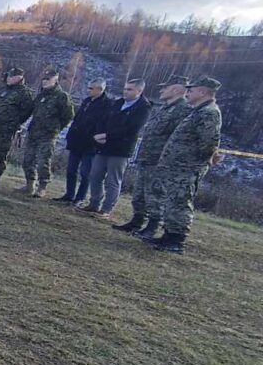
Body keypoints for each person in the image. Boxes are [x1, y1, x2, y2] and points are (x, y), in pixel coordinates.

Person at [148, 76, 223, 254]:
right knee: (172, 200)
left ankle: (176, 239)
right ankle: (168, 234)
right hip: (177, 166)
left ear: (203, 92)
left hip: (187, 167)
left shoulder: (209, 113)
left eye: (191, 90)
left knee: (181, 201)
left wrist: (205, 159)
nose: (187, 93)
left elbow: (208, 143)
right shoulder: (197, 111)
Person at [114, 75, 191, 237]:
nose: (161, 90)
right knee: (140, 193)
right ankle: (137, 221)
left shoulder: (183, 110)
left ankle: (152, 226)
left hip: (161, 160)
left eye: (165, 87)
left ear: (176, 89)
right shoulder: (165, 107)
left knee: (155, 194)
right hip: (148, 157)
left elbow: (180, 137)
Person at [81, 79, 151, 219]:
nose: (126, 91)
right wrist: (99, 135)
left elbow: (131, 129)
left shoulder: (143, 108)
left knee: (113, 180)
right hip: (104, 145)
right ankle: (94, 203)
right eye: (125, 88)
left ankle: (106, 209)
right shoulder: (118, 103)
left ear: (139, 91)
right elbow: (104, 120)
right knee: (95, 175)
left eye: (130, 89)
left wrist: (107, 135)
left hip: (121, 149)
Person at [18, 68, 74, 197]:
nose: (44, 82)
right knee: (28, 160)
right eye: (43, 79)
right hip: (33, 133)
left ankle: (42, 187)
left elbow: (68, 116)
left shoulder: (62, 96)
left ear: (55, 80)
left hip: (48, 135)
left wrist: (55, 128)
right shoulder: (41, 95)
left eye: (48, 80)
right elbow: (32, 111)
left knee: (43, 161)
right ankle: (29, 185)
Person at [56, 78, 114, 203]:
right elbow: (77, 119)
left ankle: (80, 198)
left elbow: (105, 124)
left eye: (91, 88)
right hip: (76, 141)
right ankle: (69, 194)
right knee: (71, 170)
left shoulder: (107, 104)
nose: (88, 90)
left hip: (91, 144)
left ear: (100, 89)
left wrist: (97, 138)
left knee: (85, 173)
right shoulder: (87, 101)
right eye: (88, 88)